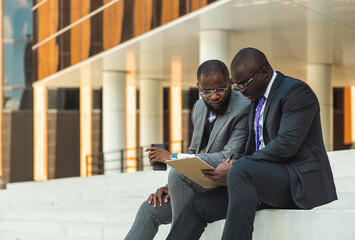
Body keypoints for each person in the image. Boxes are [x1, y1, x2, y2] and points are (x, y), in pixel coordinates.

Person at [166, 47, 338, 240]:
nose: (241, 90)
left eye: (243, 84)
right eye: (237, 86)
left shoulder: (296, 92)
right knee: (196, 206)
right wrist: (228, 168)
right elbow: (250, 149)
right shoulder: (255, 101)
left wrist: (236, 166)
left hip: (296, 182)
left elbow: (286, 144)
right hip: (258, 181)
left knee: (240, 170)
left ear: (264, 73)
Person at [125, 59, 250, 240]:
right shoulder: (199, 107)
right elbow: (194, 151)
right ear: (198, 87)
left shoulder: (243, 108)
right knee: (150, 209)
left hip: (226, 182)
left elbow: (227, 157)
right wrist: (171, 187)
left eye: (220, 89)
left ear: (230, 82)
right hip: (200, 180)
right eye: (206, 91)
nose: (214, 96)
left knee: (178, 174)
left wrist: (173, 158)